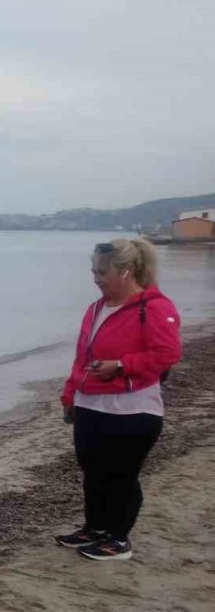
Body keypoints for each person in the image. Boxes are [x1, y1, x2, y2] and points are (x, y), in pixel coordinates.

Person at [55, 239, 181, 561]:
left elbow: (168, 353)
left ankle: (119, 538)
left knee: (120, 473)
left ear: (125, 272)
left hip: (134, 408)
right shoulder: (96, 308)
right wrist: (70, 394)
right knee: (92, 468)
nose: (96, 278)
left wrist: (122, 365)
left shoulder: (154, 307)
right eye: (93, 271)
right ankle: (95, 527)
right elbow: (81, 357)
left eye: (103, 272)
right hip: (90, 403)